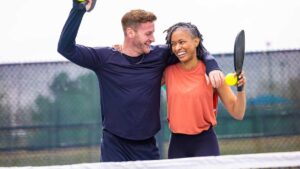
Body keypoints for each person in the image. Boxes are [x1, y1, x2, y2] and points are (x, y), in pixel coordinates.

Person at [57, 0, 224, 162]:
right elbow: (65, 48)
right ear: (130, 33)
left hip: (147, 146)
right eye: (148, 33)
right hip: (114, 145)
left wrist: (212, 65)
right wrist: (78, 9)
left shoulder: (159, 55)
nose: (153, 38)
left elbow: (194, 47)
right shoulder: (104, 58)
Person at [163, 22, 246, 159]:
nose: (177, 47)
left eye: (182, 42)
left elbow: (238, 113)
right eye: (173, 44)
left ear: (196, 41)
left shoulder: (213, 74)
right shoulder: (167, 73)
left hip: (205, 143)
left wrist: (241, 89)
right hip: (177, 145)